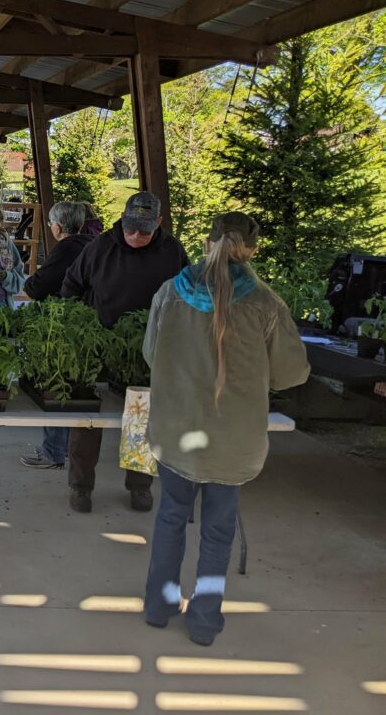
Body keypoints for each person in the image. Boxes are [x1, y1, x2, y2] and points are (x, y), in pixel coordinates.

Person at [143, 212, 309, 646]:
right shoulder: (266, 304)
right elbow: (290, 374)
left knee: (170, 518)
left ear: (206, 242)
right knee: (219, 531)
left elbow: (150, 354)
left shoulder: (169, 293)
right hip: (234, 441)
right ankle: (203, 621)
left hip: (176, 432)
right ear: (251, 250)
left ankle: (158, 607)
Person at [61, 191, 190, 514]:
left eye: (143, 231)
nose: (135, 236)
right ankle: (80, 486)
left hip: (146, 349)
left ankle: (139, 485)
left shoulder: (172, 252)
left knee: (140, 416)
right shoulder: (100, 247)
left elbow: (188, 295)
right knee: (87, 417)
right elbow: (70, 287)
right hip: (98, 345)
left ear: (158, 224)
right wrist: (79, 327)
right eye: (130, 228)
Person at [21, 201, 94, 470]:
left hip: (63, 326)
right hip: (85, 325)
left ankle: (53, 451)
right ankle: (70, 455)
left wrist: (30, 281)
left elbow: (39, 287)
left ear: (58, 226)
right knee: (78, 390)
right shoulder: (92, 243)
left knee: (56, 384)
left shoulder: (66, 248)